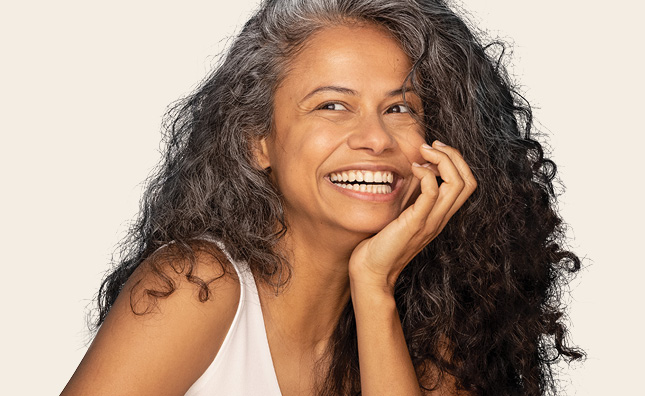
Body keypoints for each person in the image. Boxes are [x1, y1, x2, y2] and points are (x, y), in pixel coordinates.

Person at [62, 0, 583, 395]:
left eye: (400, 109)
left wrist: (374, 288)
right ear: (257, 140)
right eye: (333, 105)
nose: (376, 139)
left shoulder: (433, 329)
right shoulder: (196, 286)